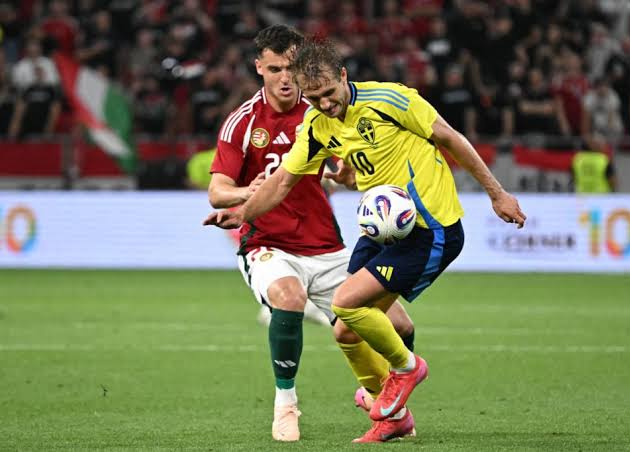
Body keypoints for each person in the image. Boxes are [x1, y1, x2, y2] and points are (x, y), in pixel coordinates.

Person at [204, 38, 526, 443]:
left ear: (343, 76)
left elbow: (451, 138)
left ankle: (406, 369)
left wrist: (497, 194)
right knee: (345, 331)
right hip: (383, 232)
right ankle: (393, 417)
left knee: (345, 303)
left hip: (429, 230)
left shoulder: (390, 99)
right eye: (314, 98)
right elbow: (283, 180)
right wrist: (243, 213)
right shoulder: (316, 126)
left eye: (329, 93)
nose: (324, 104)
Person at [205, 25, 415, 443]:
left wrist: (347, 175)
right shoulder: (243, 122)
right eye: (275, 69)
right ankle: (285, 405)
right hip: (268, 244)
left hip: (325, 245)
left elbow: (350, 167)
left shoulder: (320, 111)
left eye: (291, 68)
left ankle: (385, 401)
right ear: (259, 68)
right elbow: (217, 191)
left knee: (399, 325)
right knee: (289, 298)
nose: (285, 78)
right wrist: (250, 192)